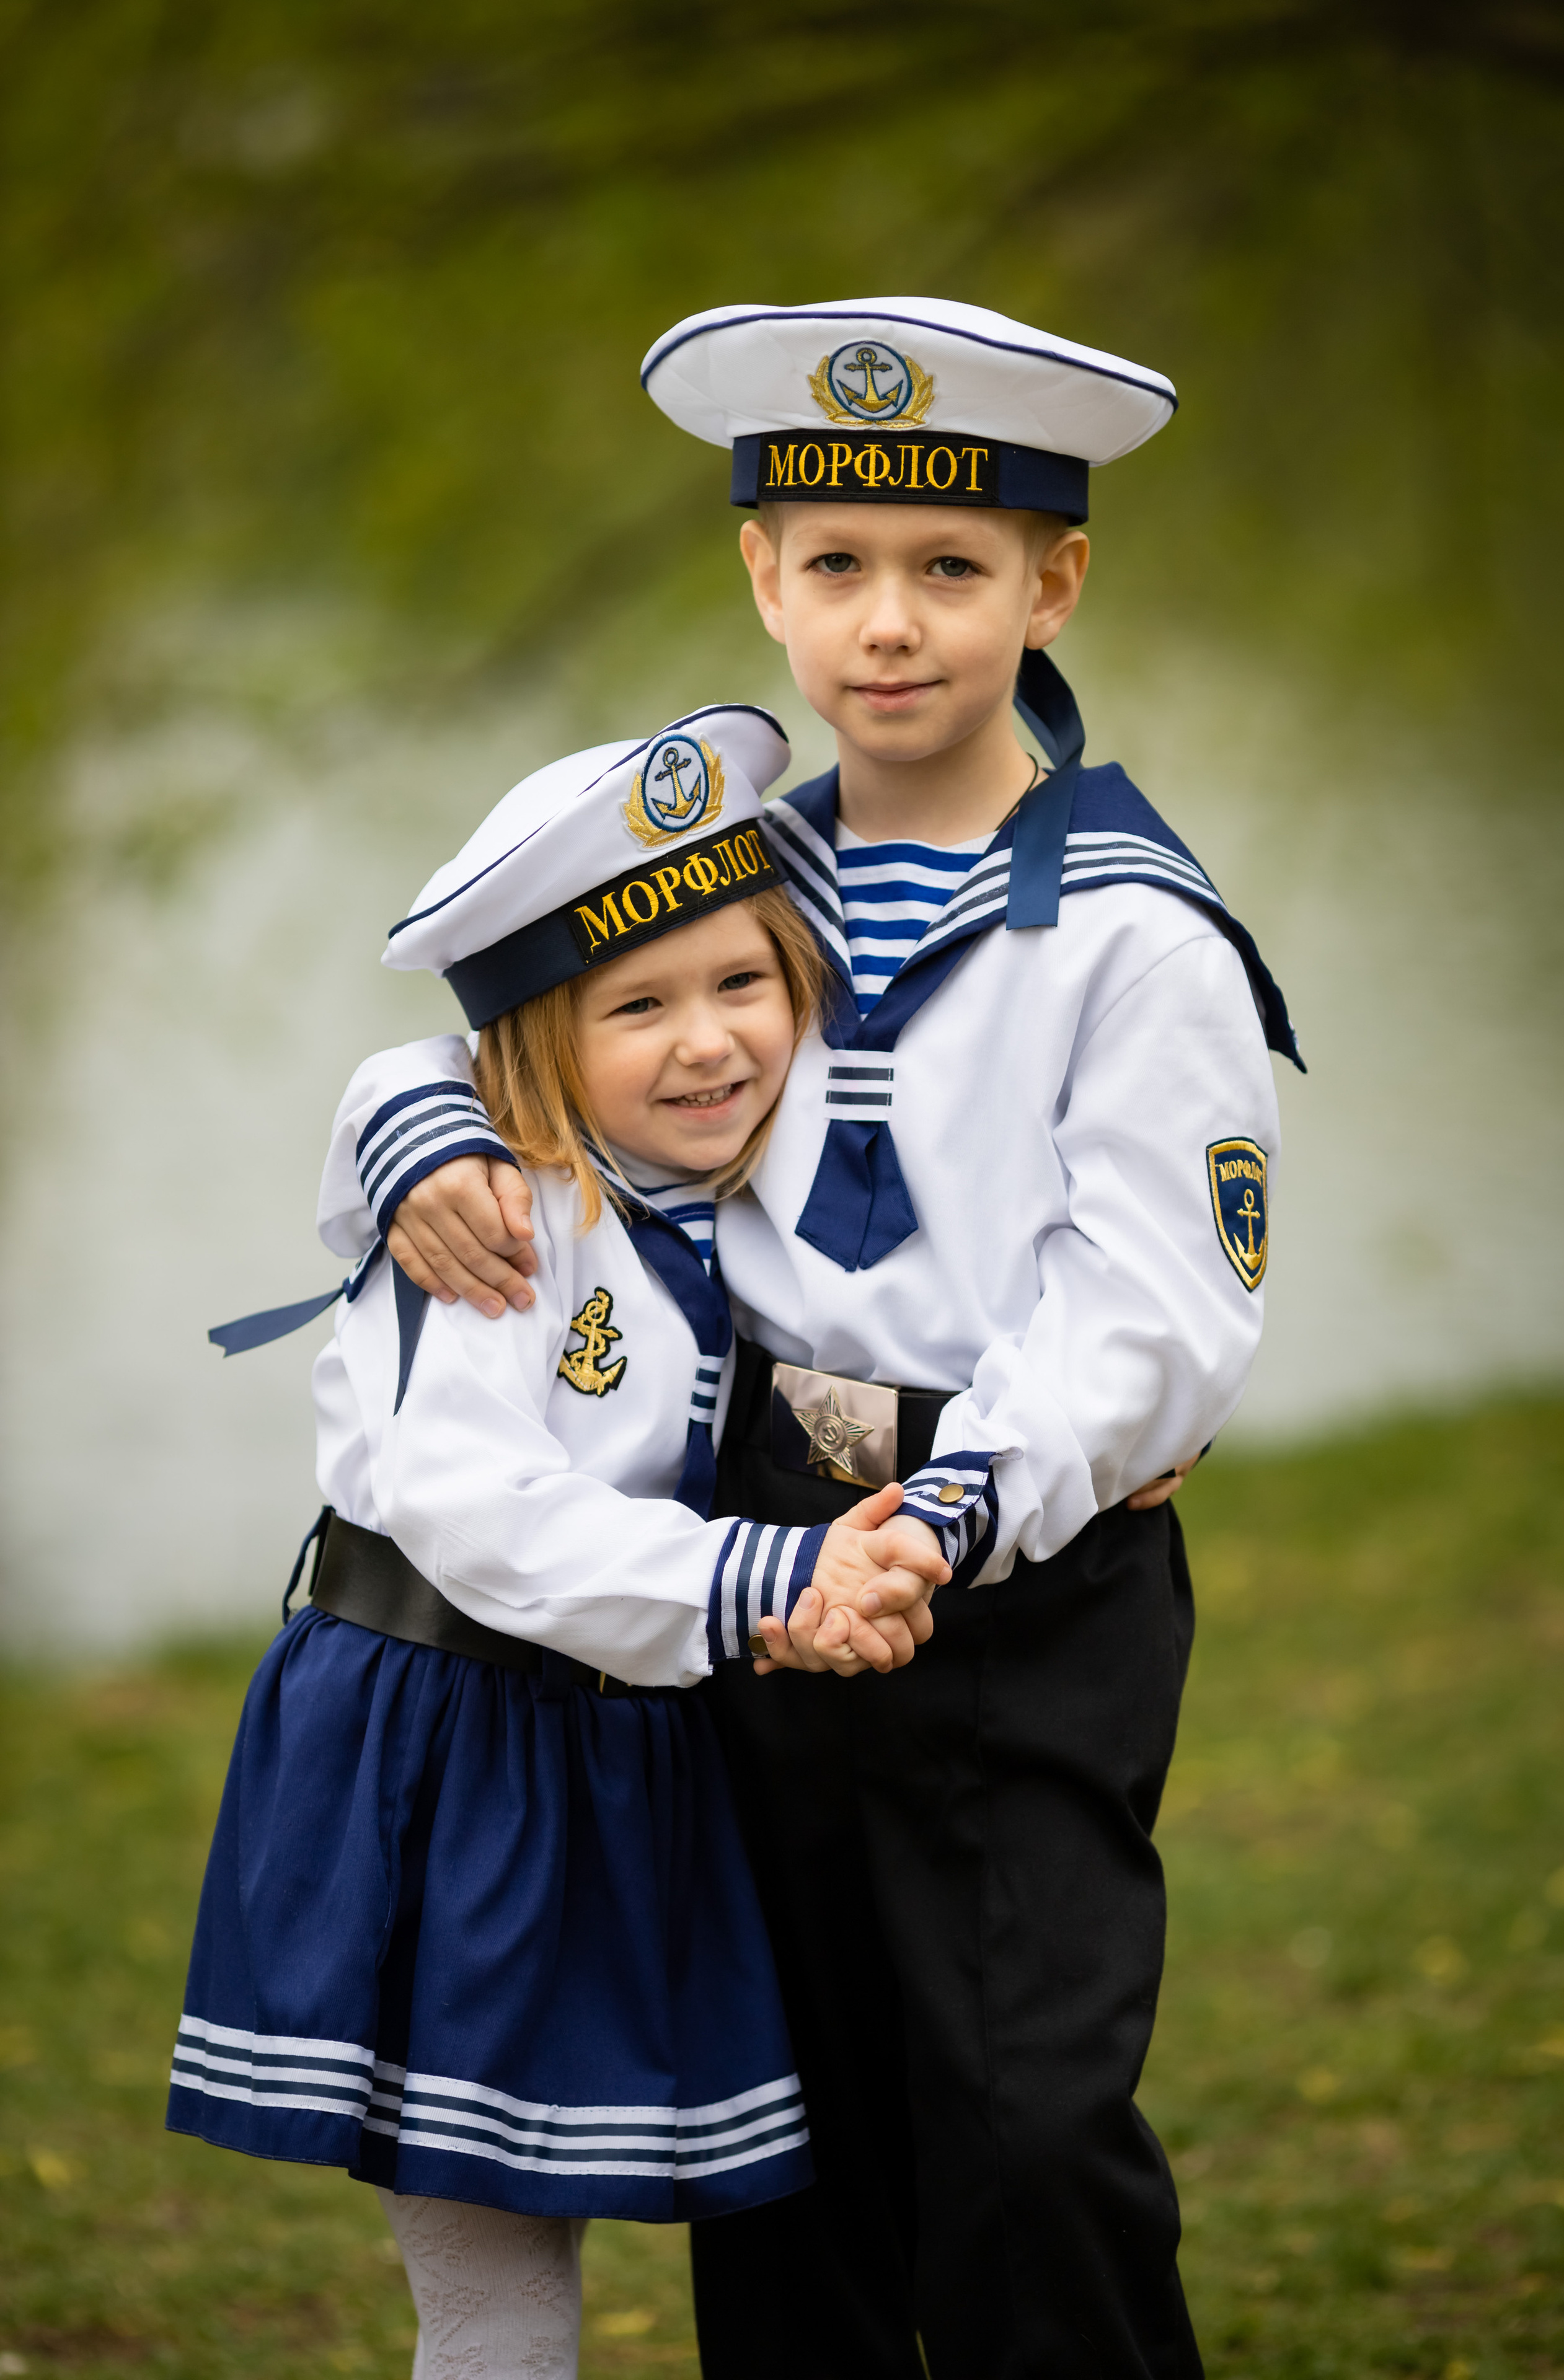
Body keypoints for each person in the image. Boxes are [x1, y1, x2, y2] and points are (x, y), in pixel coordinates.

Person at [304, 300, 1304, 2379]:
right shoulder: (738, 869)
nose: (892, 625)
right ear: (762, 578)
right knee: (795, 2146)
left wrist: (958, 1503)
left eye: (954, 569)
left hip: (1012, 1569)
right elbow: (528, 1009)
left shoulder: (1135, 932)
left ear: (1056, 585)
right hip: (760, 1548)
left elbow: (1152, 1299)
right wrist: (402, 1123)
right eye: (835, 565)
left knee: (1027, 2128)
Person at [167, 704, 948, 2380]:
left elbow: (794, 1407)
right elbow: (472, 1508)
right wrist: (766, 1583)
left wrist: (1022, 1458)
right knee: (500, 2283)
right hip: (447, 1748)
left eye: (745, 984)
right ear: (533, 1045)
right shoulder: (499, 1219)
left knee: (570, 2238)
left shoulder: (740, 1201)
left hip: (613, 1749)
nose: (709, 1045)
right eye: (639, 1006)